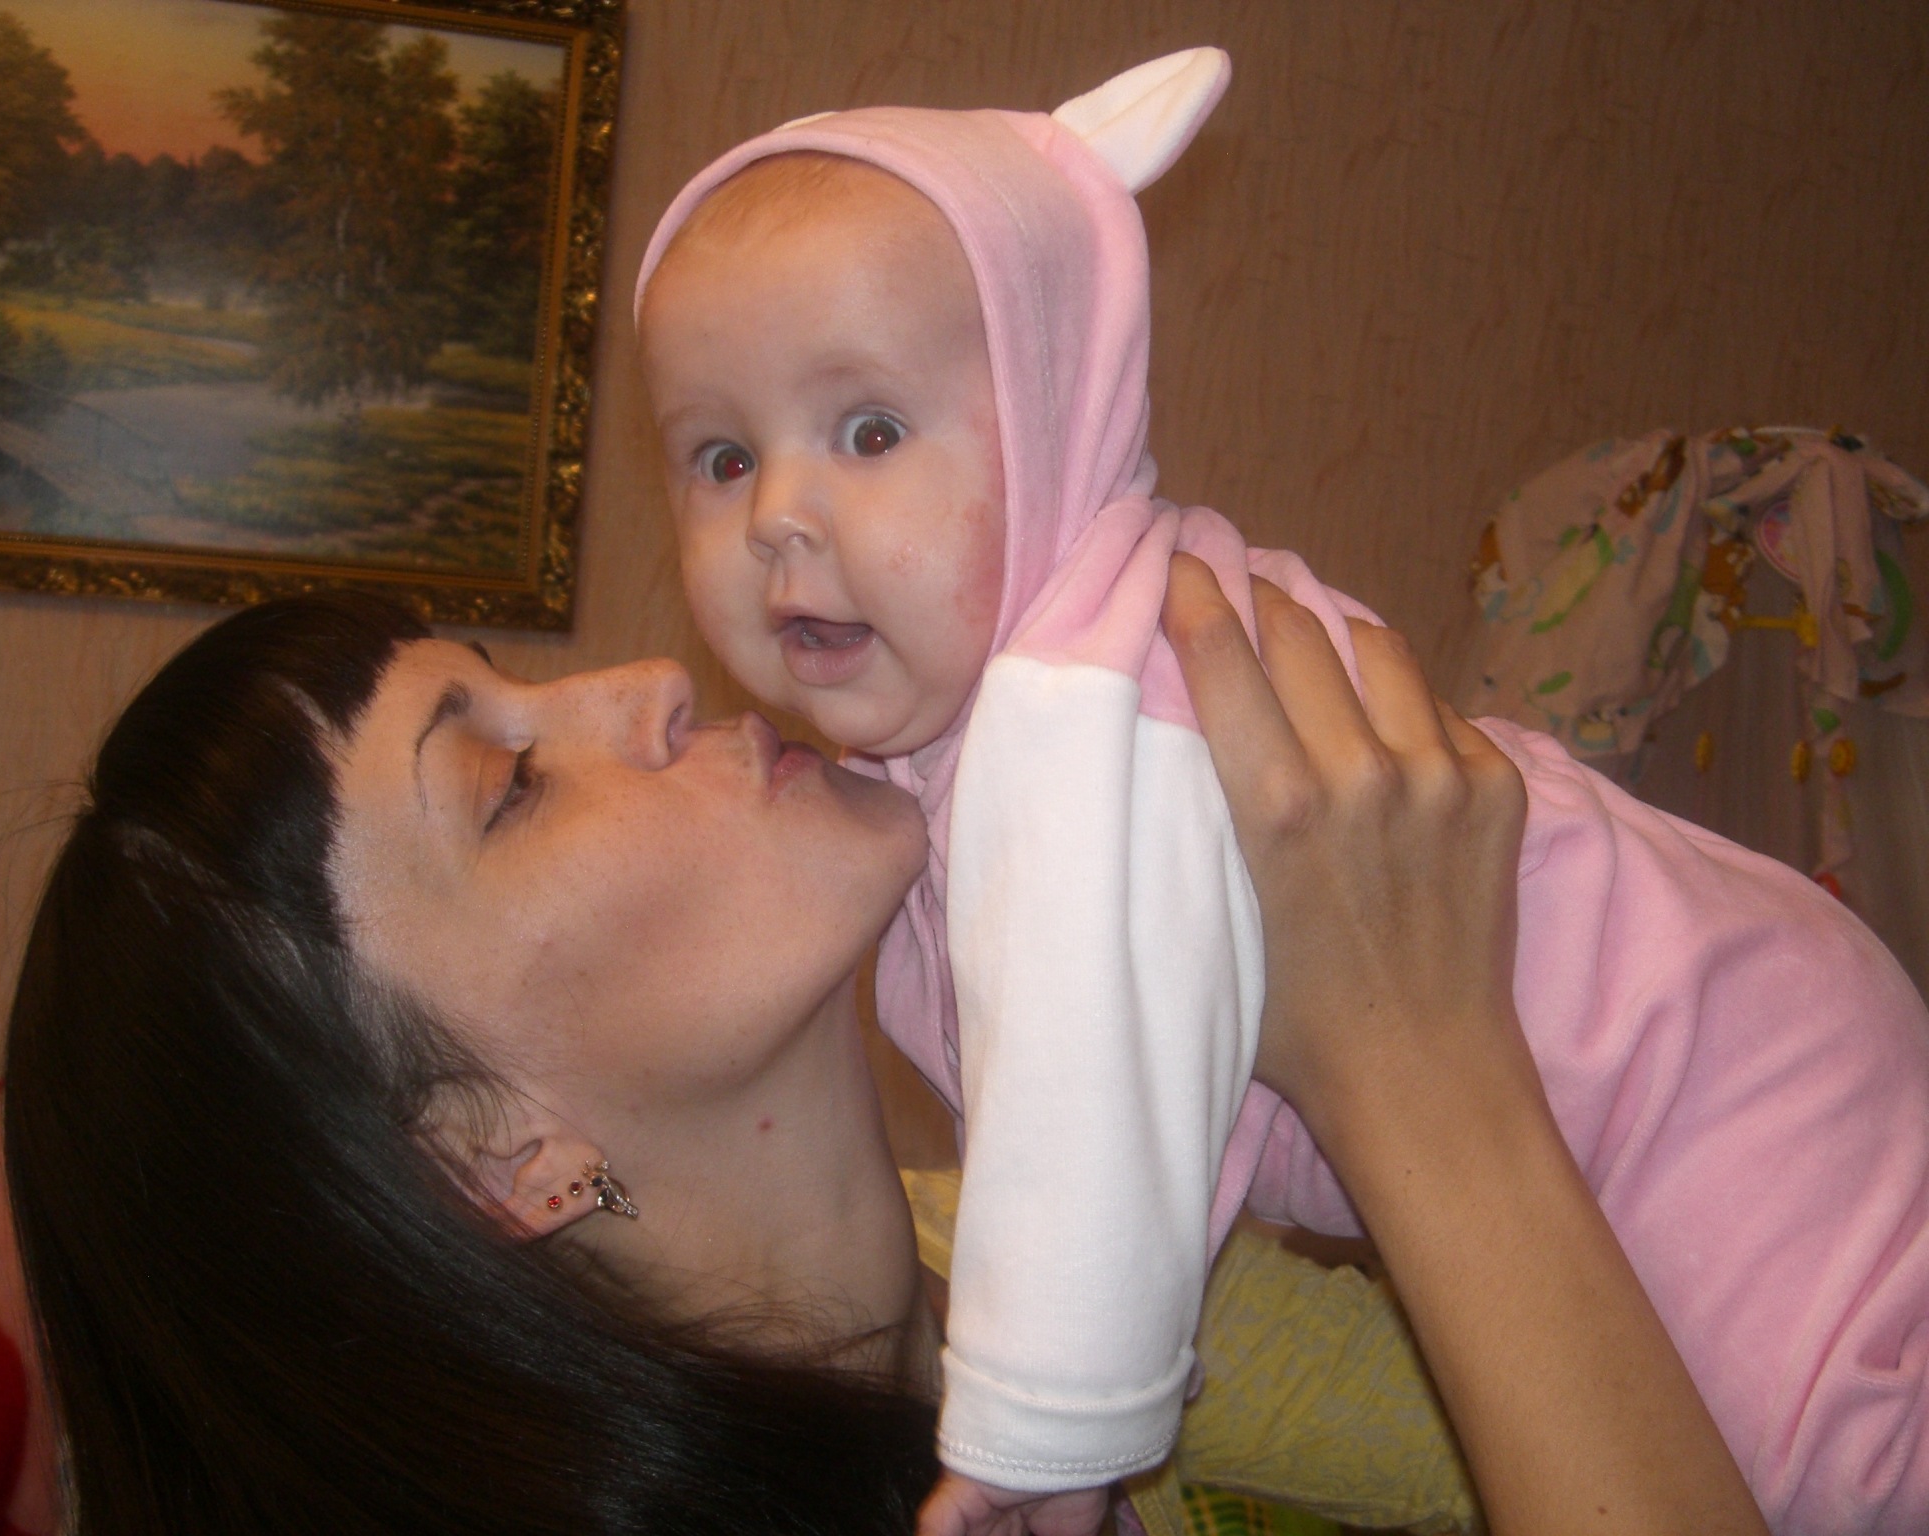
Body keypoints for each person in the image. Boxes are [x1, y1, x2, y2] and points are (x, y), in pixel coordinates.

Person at [632, 46, 1929, 1536]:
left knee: (1839, 1470)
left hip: (1715, 1058)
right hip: (1708, 1036)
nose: (778, 516)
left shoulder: (1084, 709)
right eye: (719, 457)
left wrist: (1037, 1436)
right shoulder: (975, 727)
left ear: (1057, 415)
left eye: (868, 432)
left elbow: (1084, 1130)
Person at [0, 580, 1763, 1536]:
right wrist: (1428, 1077)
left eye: (523, 681)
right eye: (511, 784)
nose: (649, 681)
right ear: (490, 1159)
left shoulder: (1052, 1254)